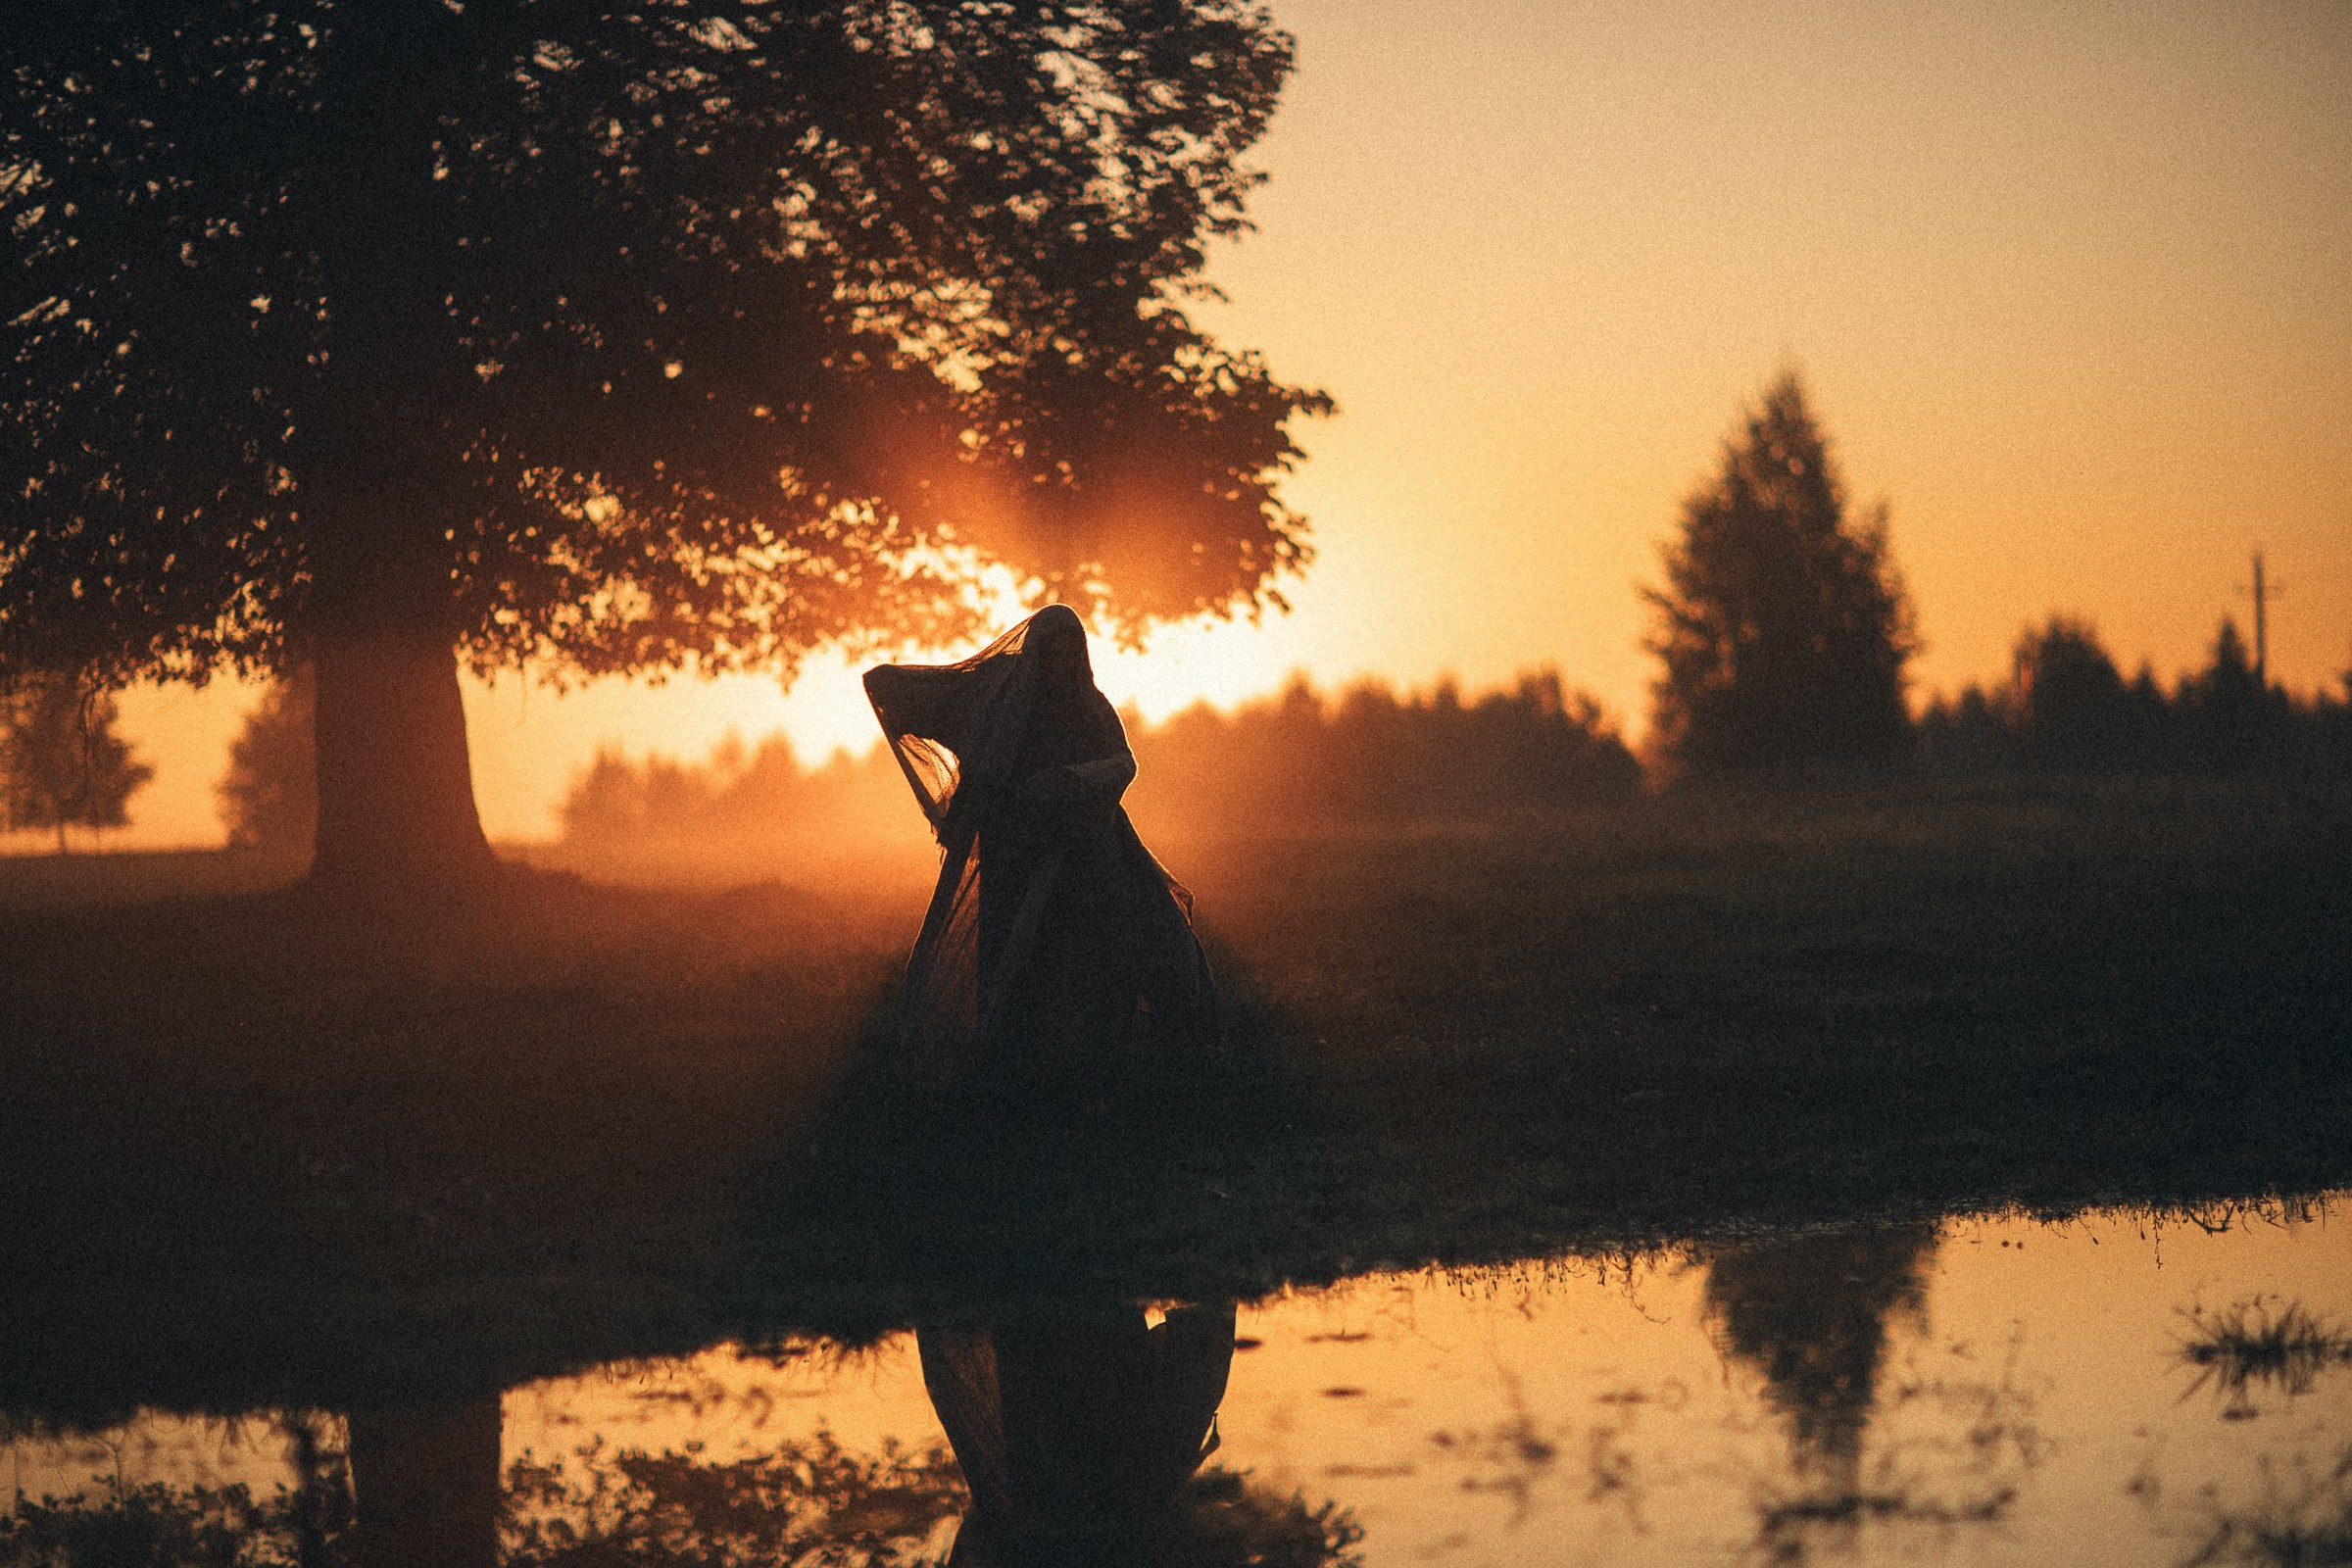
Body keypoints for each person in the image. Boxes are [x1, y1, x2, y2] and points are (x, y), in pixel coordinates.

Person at [864, 606, 1215, 1091]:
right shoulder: (999, 698)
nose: (1061, 663)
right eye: (1052, 652)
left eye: (1071, 653)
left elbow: (1123, 762)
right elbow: (918, 694)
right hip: (1016, 853)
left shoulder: (1090, 706)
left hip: (1086, 851)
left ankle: (1089, 1068)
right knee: (1014, 954)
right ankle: (1012, 1071)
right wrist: (894, 685)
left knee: (1095, 953)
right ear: (1035, 653)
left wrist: (1069, 780)